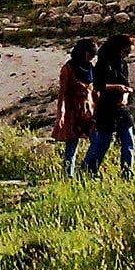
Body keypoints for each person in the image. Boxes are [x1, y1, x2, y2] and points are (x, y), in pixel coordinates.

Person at [85, 34, 135, 179]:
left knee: (128, 141)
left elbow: (126, 84)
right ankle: (89, 171)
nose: (126, 56)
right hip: (106, 107)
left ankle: (127, 174)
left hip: (121, 108)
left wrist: (125, 95)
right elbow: (98, 85)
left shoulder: (123, 64)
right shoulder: (103, 64)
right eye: (125, 52)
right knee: (103, 143)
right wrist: (116, 88)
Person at [51, 38, 97, 178]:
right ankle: (68, 176)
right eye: (90, 54)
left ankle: (86, 170)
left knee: (97, 142)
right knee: (71, 147)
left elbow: (95, 91)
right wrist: (62, 114)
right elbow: (63, 93)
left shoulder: (90, 68)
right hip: (73, 111)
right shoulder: (69, 68)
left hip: (89, 111)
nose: (91, 57)